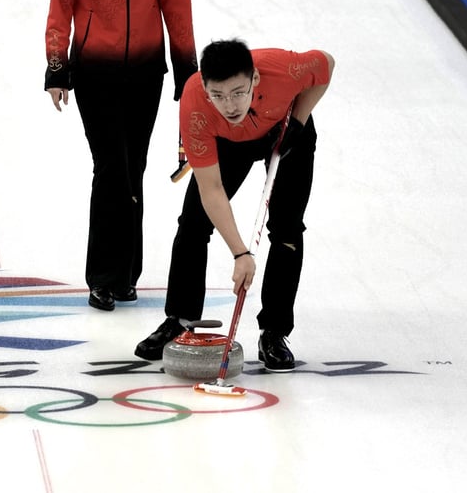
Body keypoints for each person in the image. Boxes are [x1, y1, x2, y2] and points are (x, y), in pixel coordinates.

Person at [44, 0, 196, 312]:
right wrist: (56, 66)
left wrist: (187, 67)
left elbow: (177, 2)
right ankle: (103, 276)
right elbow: (61, 1)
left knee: (135, 168)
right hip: (96, 70)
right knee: (110, 168)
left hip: (147, 69)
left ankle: (128, 273)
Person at [135, 38, 335, 370]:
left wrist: (298, 122)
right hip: (229, 142)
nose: (230, 105)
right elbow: (211, 190)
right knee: (193, 224)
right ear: (205, 88)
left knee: (286, 229)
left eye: (238, 92)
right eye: (220, 95)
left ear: (255, 78)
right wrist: (240, 253)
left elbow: (326, 64)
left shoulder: (284, 69)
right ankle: (181, 319)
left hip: (286, 129)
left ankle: (274, 331)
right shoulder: (196, 104)